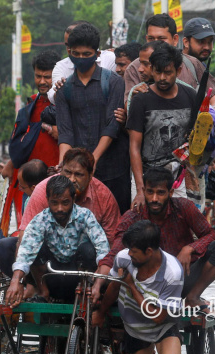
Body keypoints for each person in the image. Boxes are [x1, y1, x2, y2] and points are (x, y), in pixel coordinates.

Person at [94, 168, 215, 310]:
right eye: (150, 192)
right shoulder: (133, 216)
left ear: (170, 193)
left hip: (180, 281)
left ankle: (192, 297)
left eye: (160, 193)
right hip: (145, 286)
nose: (154, 199)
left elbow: (211, 234)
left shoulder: (184, 207)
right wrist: (97, 284)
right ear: (143, 191)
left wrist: (190, 248)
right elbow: (114, 253)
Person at [0, 149, 121, 283]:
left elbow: (109, 244)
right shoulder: (42, 191)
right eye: (67, 172)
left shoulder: (101, 198)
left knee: (89, 250)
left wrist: (100, 282)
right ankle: (34, 287)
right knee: (4, 247)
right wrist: (17, 280)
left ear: (90, 175)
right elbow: (26, 238)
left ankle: (87, 289)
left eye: (78, 174)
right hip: (48, 265)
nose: (71, 179)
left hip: (82, 269)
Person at [91, 220, 184, 354]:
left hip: (163, 327)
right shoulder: (123, 258)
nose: (129, 255)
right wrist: (101, 312)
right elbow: (113, 287)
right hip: (135, 329)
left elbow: (158, 317)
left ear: (149, 251)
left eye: (134, 252)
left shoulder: (173, 273)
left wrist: (131, 286)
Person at [55, 22, 131, 214]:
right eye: (76, 54)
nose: (80, 58)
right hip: (78, 174)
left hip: (114, 169)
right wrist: (63, 164)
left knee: (116, 222)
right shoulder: (64, 89)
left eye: (86, 54)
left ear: (97, 55)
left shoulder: (113, 82)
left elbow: (111, 126)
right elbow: (65, 132)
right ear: (69, 53)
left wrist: (93, 160)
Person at [4, 175, 109, 305]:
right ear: (47, 200)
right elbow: (25, 253)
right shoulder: (40, 220)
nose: (60, 208)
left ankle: (83, 291)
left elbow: (103, 249)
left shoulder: (85, 216)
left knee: (88, 249)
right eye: (54, 203)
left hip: (79, 273)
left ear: (73, 199)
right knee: (36, 248)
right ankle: (43, 292)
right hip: (51, 274)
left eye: (65, 202)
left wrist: (98, 284)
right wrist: (15, 282)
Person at [127, 43, 198, 205]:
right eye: (158, 72)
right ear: (151, 69)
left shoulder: (190, 96)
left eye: (168, 73)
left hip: (179, 178)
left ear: (178, 71)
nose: (162, 78)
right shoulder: (141, 100)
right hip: (147, 177)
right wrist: (140, 189)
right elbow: (134, 147)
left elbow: (196, 135)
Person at [122, 14, 215, 110]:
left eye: (161, 39)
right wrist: (134, 98)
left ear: (175, 40)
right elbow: (128, 107)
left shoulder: (192, 63)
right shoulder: (134, 68)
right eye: (151, 38)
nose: (156, 43)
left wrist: (214, 112)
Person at [48, 21, 117, 104]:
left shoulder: (110, 59)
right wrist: (61, 91)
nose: (69, 49)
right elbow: (53, 96)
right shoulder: (61, 66)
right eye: (67, 45)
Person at [13, 159, 49, 229]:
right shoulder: (28, 200)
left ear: (34, 188)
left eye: (22, 187)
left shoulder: (31, 202)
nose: (21, 190)